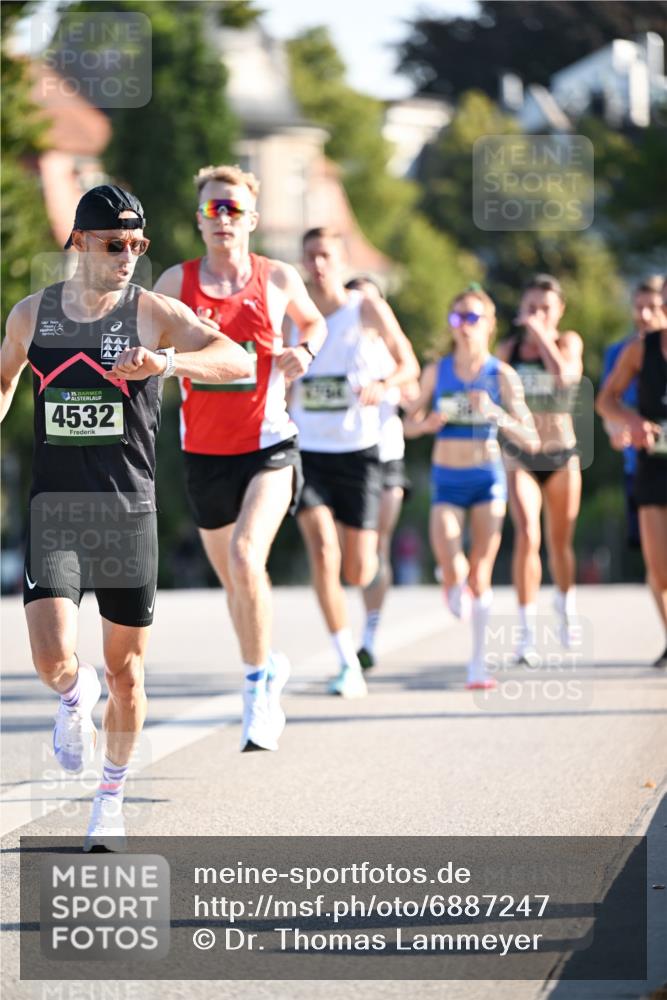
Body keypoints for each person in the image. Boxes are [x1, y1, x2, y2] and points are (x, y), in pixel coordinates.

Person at [0, 184, 252, 849]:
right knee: (55, 658)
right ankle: (71, 695)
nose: (129, 257)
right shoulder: (32, 315)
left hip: (127, 512)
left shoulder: (153, 312)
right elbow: (3, 381)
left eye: (138, 245)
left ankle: (108, 797)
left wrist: (167, 363)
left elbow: (236, 359)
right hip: (55, 510)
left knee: (127, 673)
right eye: (116, 244)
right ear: (79, 242)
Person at [154, 164, 326, 752]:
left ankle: (257, 695)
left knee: (248, 557)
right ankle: (268, 661)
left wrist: (304, 348)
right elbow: (144, 346)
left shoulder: (276, 277)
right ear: (200, 220)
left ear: (251, 219)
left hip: (269, 444)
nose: (222, 218)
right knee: (235, 582)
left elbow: (315, 321)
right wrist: (179, 338)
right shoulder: (176, 283)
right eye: (212, 209)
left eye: (232, 209)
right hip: (203, 453)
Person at [290, 229, 418, 697]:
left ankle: (361, 628)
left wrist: (386, 385)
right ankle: (346, 659)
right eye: (311, 256)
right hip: (307, 451)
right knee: (323, 552)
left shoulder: (364, 308)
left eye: (326, 255)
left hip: (360, 453)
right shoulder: (296, 315)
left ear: (342, 261)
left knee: (358, 569)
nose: (318, 264)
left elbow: (409, 364)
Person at [404, 286, 537, 688]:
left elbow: (530, 436)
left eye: (473, 318)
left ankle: (477, 664)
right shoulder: (437, 370)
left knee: (481, 572)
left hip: (486, 479)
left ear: (490, 324)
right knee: (449, 556)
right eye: (457, 318)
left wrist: (495, 413)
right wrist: (423, 425)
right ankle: (449, 578)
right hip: (447, 478)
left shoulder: (502, 374)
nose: (464, 326)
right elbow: (408, 424)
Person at [496, 274, 584, 662]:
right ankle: (526, 634)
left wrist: (543, 336)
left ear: (559, 311)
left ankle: (565, 604)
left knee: (559, 544)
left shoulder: (568, 343)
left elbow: (565, 380)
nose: (537, 315)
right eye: (531, 307)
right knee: (528, 535)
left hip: (561, 455)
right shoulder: (508, 349)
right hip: (520, 456)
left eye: (545, 309)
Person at [344, 275, 420, 670]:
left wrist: (399, 389)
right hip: (345, 458)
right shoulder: (337, 346)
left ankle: (369, 635)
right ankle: (350, 628)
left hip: (387, 455)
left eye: (369, 299)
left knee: (378, 544)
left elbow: (414, 394)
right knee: (353, 555)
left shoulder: (393, 352)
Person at [596, 290, 667, 669]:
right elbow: (606, 400)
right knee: (659, 568)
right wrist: (632, 421)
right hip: (651, 464)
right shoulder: (642, 349)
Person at [601, 275, 665, 550]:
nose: (645, 314)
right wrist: (624, 427)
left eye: (651, 305)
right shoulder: (626, 351)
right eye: (638, 307)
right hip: (642, 460)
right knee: (657, 566)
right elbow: (607, 403)